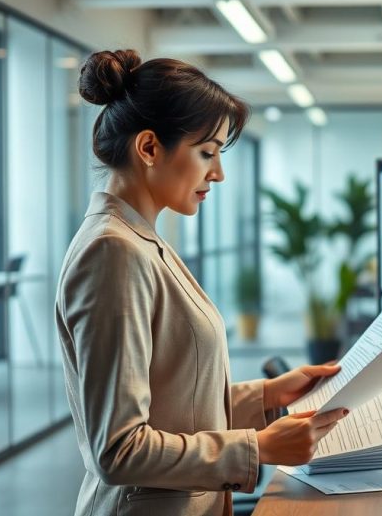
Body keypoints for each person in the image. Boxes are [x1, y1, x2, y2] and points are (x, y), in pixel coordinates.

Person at [55, 49, 348, 516]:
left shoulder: (140, 238)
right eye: (206, 152)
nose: (218, 172)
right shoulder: (112, 252)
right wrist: (259, 447)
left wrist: (271, 394)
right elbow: (118, 449)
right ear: (149, 148)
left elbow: (174, 403)